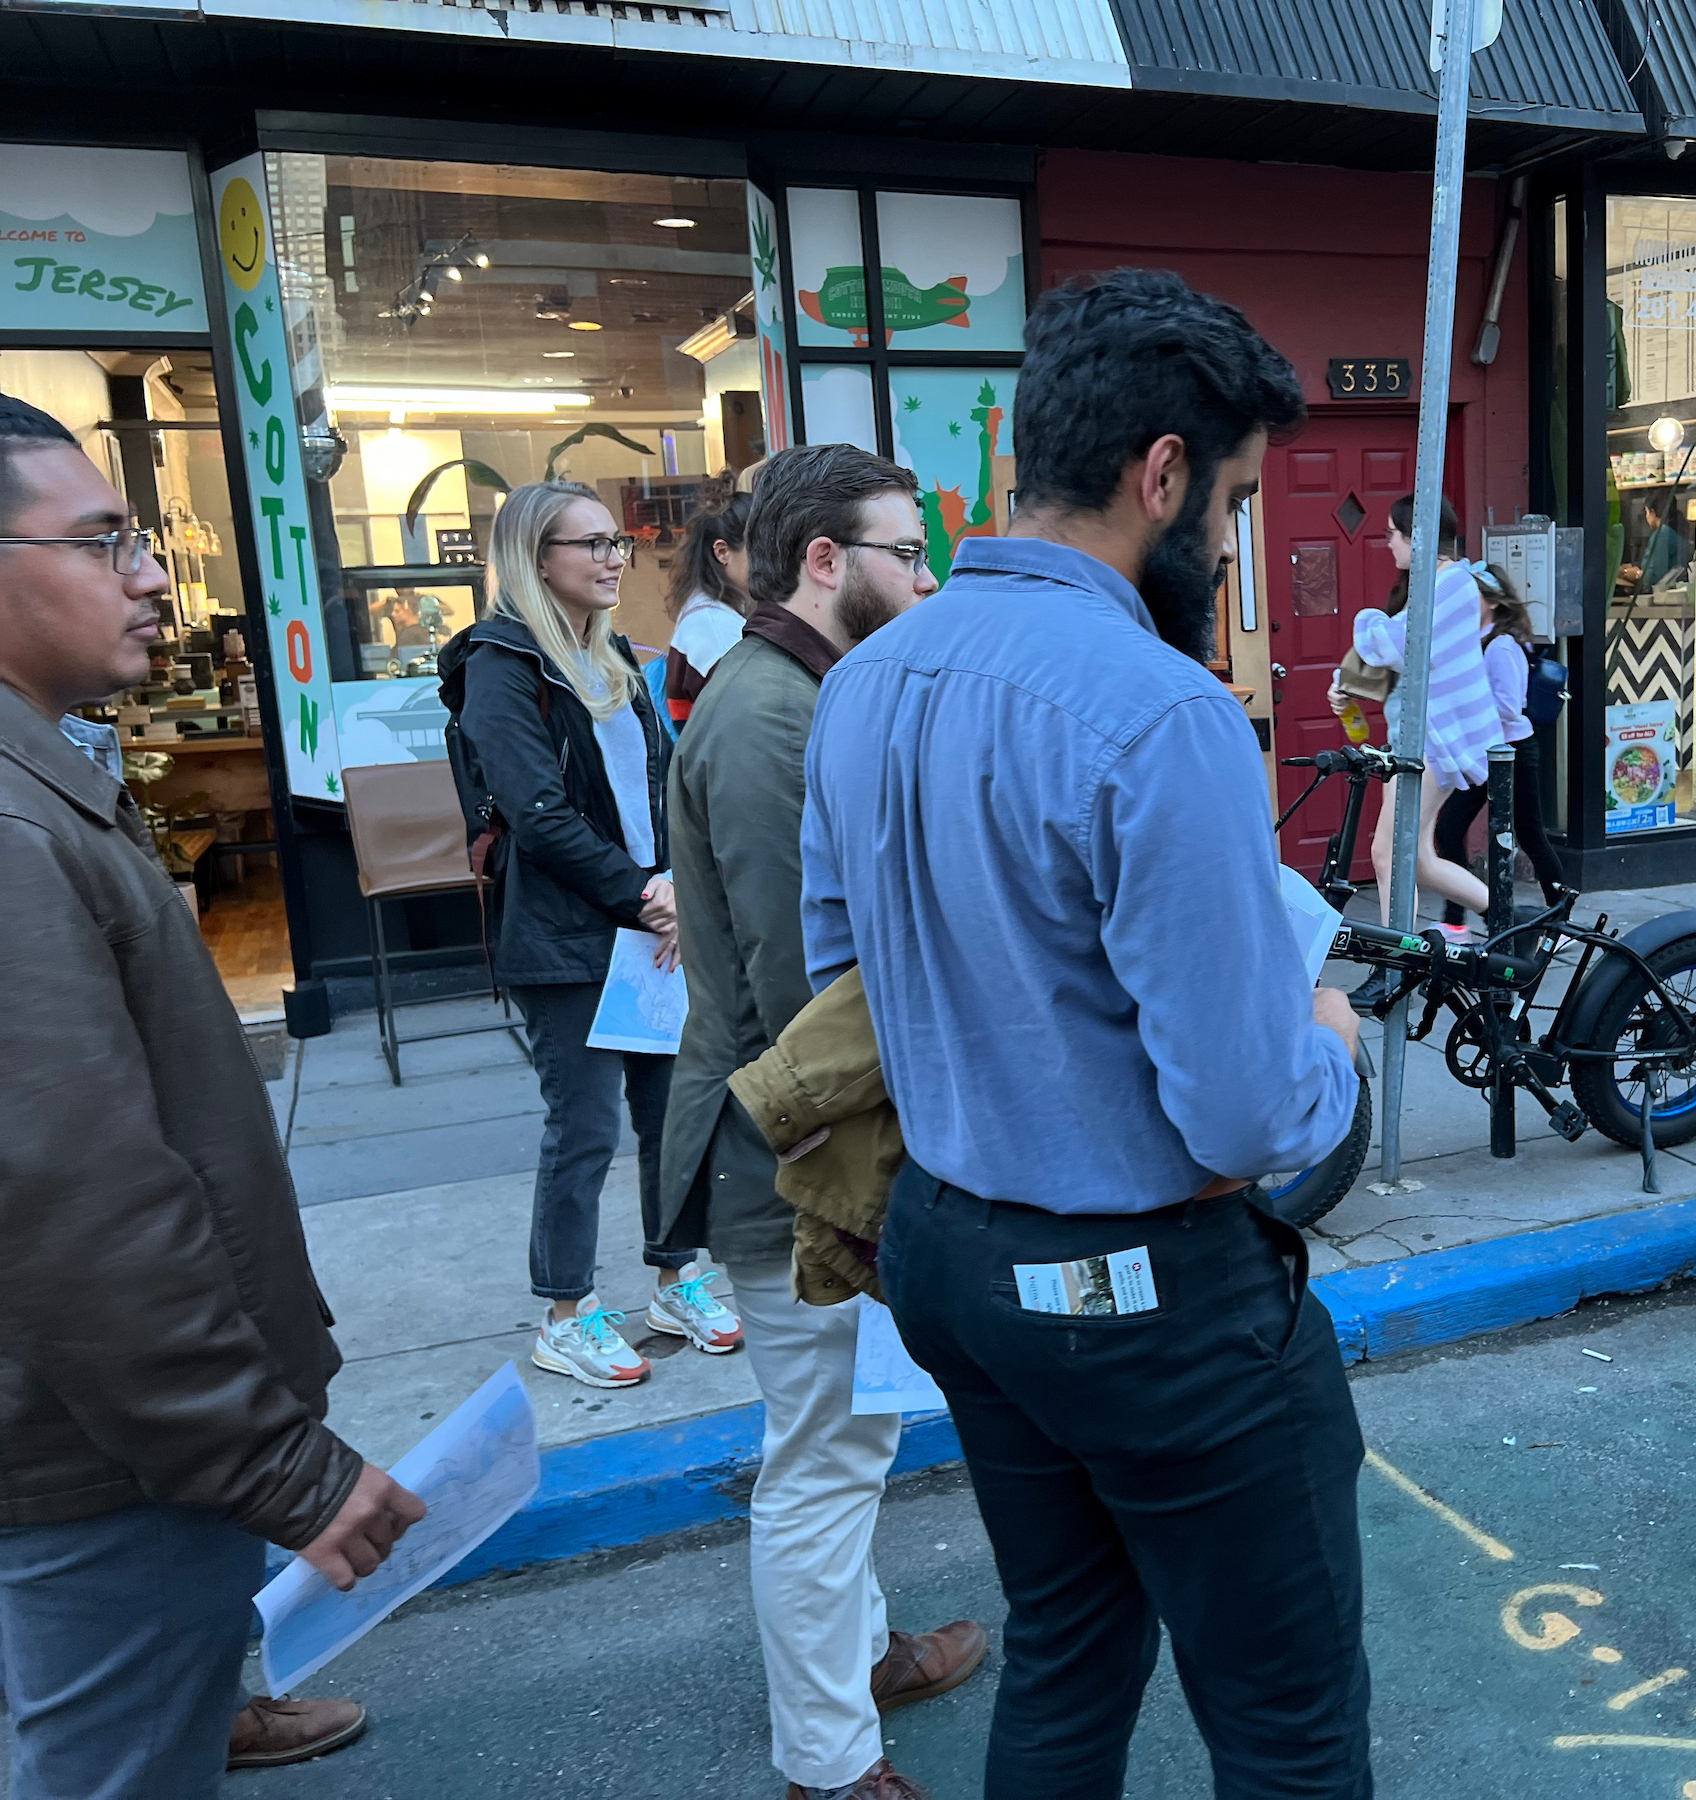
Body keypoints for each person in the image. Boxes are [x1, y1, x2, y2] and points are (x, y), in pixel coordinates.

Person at [801, 269, 1370, 1799]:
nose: (1237, 546)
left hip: (948, 1255)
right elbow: (1252, 1117)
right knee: (1288, 1724)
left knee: (1068, 1644)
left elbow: (841, 981)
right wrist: (1333, 1039)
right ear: (1163, 473)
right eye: (1237, 502)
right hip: (1148, 1299)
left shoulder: (862, 680)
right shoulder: (1160, 708)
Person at [0, 393, 421, 1795]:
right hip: (100, 1468)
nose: (148, 574)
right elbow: (77, 1203)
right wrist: (279, 1470)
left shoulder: (42, 781)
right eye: (102, 540)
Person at [657, 441, 982, 1800]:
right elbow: (815, 997)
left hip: (794, 1145)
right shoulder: (772, 719)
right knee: (824, 1455)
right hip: (787, 1155)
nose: (928, 576)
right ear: (827, 562)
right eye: (907, 553)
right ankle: (832, 1763)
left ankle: (859, 1662)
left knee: (845, 1433)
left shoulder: (802, 694)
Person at [437, 480, 740, 1390]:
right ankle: (564, 1312)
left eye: (617, 541)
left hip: (651, 919)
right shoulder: (502, 662)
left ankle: (675, 1276)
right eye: (592, 544)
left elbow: (667, 787)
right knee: (582, 1126)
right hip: (574, 932)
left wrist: (684, 886)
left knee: (670, 1111)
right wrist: (648, 897)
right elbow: (538, 814)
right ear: (537, 559)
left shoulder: (606, 653)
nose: (615, 557)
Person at [1339, 494, 1501, 987]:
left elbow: (1394, 645)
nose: (1387, 542)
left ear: (1418, 535)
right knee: (1415, 857)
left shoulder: (1451, 586)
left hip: (1437, 740)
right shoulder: (1442, 584)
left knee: (1389, 854)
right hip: (1427, 738)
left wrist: (1366, 621)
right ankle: (1512, 919)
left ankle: (1394, 968)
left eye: (1393, 532)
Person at [1433, 560, 1569, 928]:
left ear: (1491, 601)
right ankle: (1455, 918)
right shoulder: (1474, 642)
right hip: (1485, 752)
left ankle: (1561, 918)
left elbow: (1510, 706)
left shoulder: (1502, 645)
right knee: (1448, 830)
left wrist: (1467, 705)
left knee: (1530, 835)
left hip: (1512, 753)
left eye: (1471, 597)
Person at [658, 492, 753, 730]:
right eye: (760, 548)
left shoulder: (712, 612)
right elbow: (746, 721)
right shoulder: (714, 628)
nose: (775, 559)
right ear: (722, 552)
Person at [1618, 490, 1686, 594]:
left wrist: (1637, 574)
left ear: (1652, 512)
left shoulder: (1662, 535)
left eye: (1646, 512)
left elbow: (1655, 575)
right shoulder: (1672, 532)